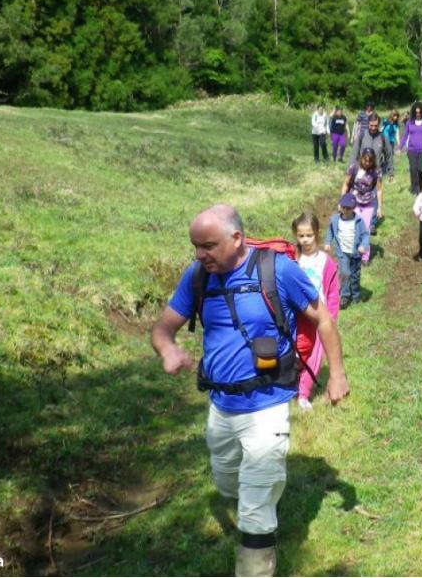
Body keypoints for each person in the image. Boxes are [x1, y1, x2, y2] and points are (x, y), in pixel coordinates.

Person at [150, 204, 350, 578]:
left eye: (208, 245)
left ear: (236, 238)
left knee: (254, 510)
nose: (199, 254)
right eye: (195, 245)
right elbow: (162, 329)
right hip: (221, 408)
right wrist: (168, 349)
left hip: (268, 405)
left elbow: (322, 317)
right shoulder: (197, 277)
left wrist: (336, 374)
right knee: (228, 482)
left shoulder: (276, 270)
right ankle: (260, 494)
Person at [291, 212, 339, 411]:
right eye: (301, 236)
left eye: (309, 235)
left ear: (317, 234)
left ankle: (303, 394)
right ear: (296, 236)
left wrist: (332, 317)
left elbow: (333, 291)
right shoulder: (293, 259)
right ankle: (289, 384)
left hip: (320, 316)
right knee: (296, 352)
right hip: (297, 316)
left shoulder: (326, 261)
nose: (305, 240)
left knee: (316, 356)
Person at [324, 194, 369, 308]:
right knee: (345, 273)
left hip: (355, 253)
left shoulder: (358, 221)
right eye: (344, 207)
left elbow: (365, 235)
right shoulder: (335, 220)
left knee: (355, 275)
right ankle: (344, 295)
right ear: (340, 207)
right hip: (342, 253)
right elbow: (330, 232)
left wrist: (363, 245)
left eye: (348, 208)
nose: (346, 210)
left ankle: (356, 295)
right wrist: (327, 242)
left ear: (353, 208)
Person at [341, 148, 382, 265]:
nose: (367, 163)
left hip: (369, 202)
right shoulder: (353, 167)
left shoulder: (376, 171)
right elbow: (346, 184)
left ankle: (365, 257)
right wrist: (342, 201)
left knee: (366, 229)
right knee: (352, 227)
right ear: (361, 158)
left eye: (370, 161)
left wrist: (380, 207)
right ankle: (351, 253)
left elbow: (379, 190)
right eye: (365, 160)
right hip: (354, 201)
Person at [400, 101, 422, 196]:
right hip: (411, 150)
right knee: (413, 169)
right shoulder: (409, 123)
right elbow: (405, 136)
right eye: (416, 112)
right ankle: (414, 189)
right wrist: (400, 147)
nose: (418, 114)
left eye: (419, 112)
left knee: (421, 169)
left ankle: (420, 185)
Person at [382, 110, 400, 181]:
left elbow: (397, 134)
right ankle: (384, 170)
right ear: (391, 115)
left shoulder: (396, 124)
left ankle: (390, 172)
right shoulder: (386, 122)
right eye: (394, 115)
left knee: (390, 156)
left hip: (391, 142)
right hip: (384, 141)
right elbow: (381, 129)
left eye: (397, 116)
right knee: (384, 156)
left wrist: (399, 144)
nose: (395, 117)